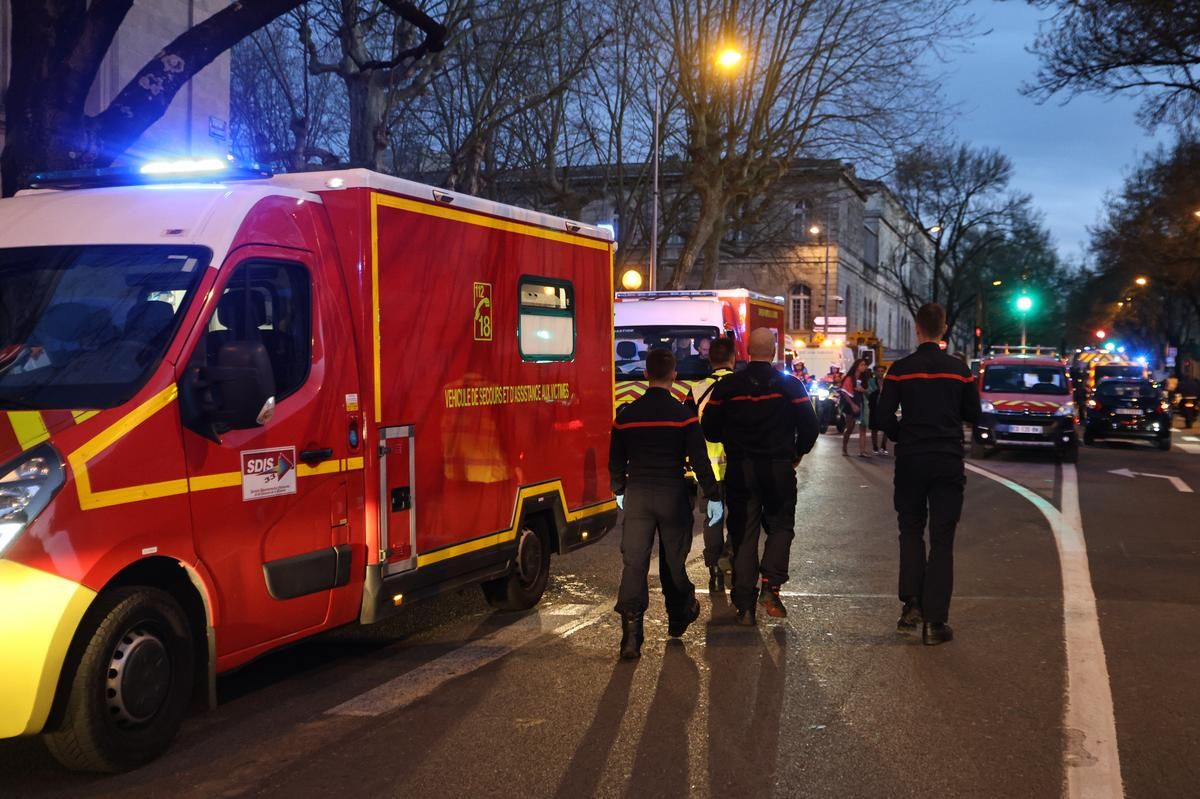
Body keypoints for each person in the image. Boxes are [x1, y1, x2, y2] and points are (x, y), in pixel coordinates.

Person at [873, 303, 980, 646]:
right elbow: (973, 413)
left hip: (912, 460)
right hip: (947, 460)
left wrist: (902, 434)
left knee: (910, 530)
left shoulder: (900, 370)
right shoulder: (959, 371)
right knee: (942, 538)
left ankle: (911, 605)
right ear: (944, 329)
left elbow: (882, 417)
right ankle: (936, 622)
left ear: (917, 329)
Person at [610, 348, 723, 659]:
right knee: (673, 562)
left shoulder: (626, 416)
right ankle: (678, 614)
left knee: (634, 563)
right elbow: (700, 461)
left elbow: (616, 460)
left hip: (638, 496)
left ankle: (631, 636)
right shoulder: (683, 416)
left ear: (646, 374)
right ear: (673, 376)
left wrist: (619, 489)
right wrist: (713, 495)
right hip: (672, 495)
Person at [702, 328, 819, 625]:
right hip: (778, 468)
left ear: (747, 351)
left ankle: (745, 604)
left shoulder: (728, 386)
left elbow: (710, 428)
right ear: (775, 349)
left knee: (743, 533)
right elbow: (810, 427)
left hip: (741, 469)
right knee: (780, 526)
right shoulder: (790, 386)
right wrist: (796, 453)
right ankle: (771, 586)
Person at [687, 337, 736, 592]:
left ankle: (714, 568)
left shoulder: (696, 389)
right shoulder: (741, 386)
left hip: (706, 469)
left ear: (710, 359)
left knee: (712, 519)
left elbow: (687, 428)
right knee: (739, 517)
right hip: (737, 467)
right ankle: (730, 558)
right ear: (733, 358)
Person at [840, 358, 870, 457]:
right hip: (850, 405)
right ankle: (844, 448)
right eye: (862, 365)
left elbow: (868, 391)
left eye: (865, 365)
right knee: (850, 427)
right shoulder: (849, 378)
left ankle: (862, 451)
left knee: (863, 427)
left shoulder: (865, 378)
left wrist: (863, 390)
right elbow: (845, 393)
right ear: (856, 366)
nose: (864, 367)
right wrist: (852, 405)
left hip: (861, 403)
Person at [868, 364, 888, 455]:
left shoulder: (887, 381)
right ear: (875, 372)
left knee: (886, 428)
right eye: (878, 371)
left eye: (882, 371)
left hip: (885, 406)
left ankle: (883, 446)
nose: (880, 373)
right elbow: (870, 392)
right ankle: (875, 447)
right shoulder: (871, 381)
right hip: (874, 407)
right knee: (874, 428)